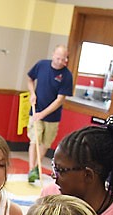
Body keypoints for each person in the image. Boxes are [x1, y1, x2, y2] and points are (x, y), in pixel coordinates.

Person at [27, 45, 73, 183]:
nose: (59, 61)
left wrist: (43, 114)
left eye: (63, 59)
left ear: (66, 59)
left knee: (45, 143)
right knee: (34, 140)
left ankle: (36, 167)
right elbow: (30, 78)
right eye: (58, 58)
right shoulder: (41, 65)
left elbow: (59, 101)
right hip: (36, 110)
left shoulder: (66, 76)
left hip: (52, 117)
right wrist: (32, 93)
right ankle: (31, 169)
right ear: (53, 55)